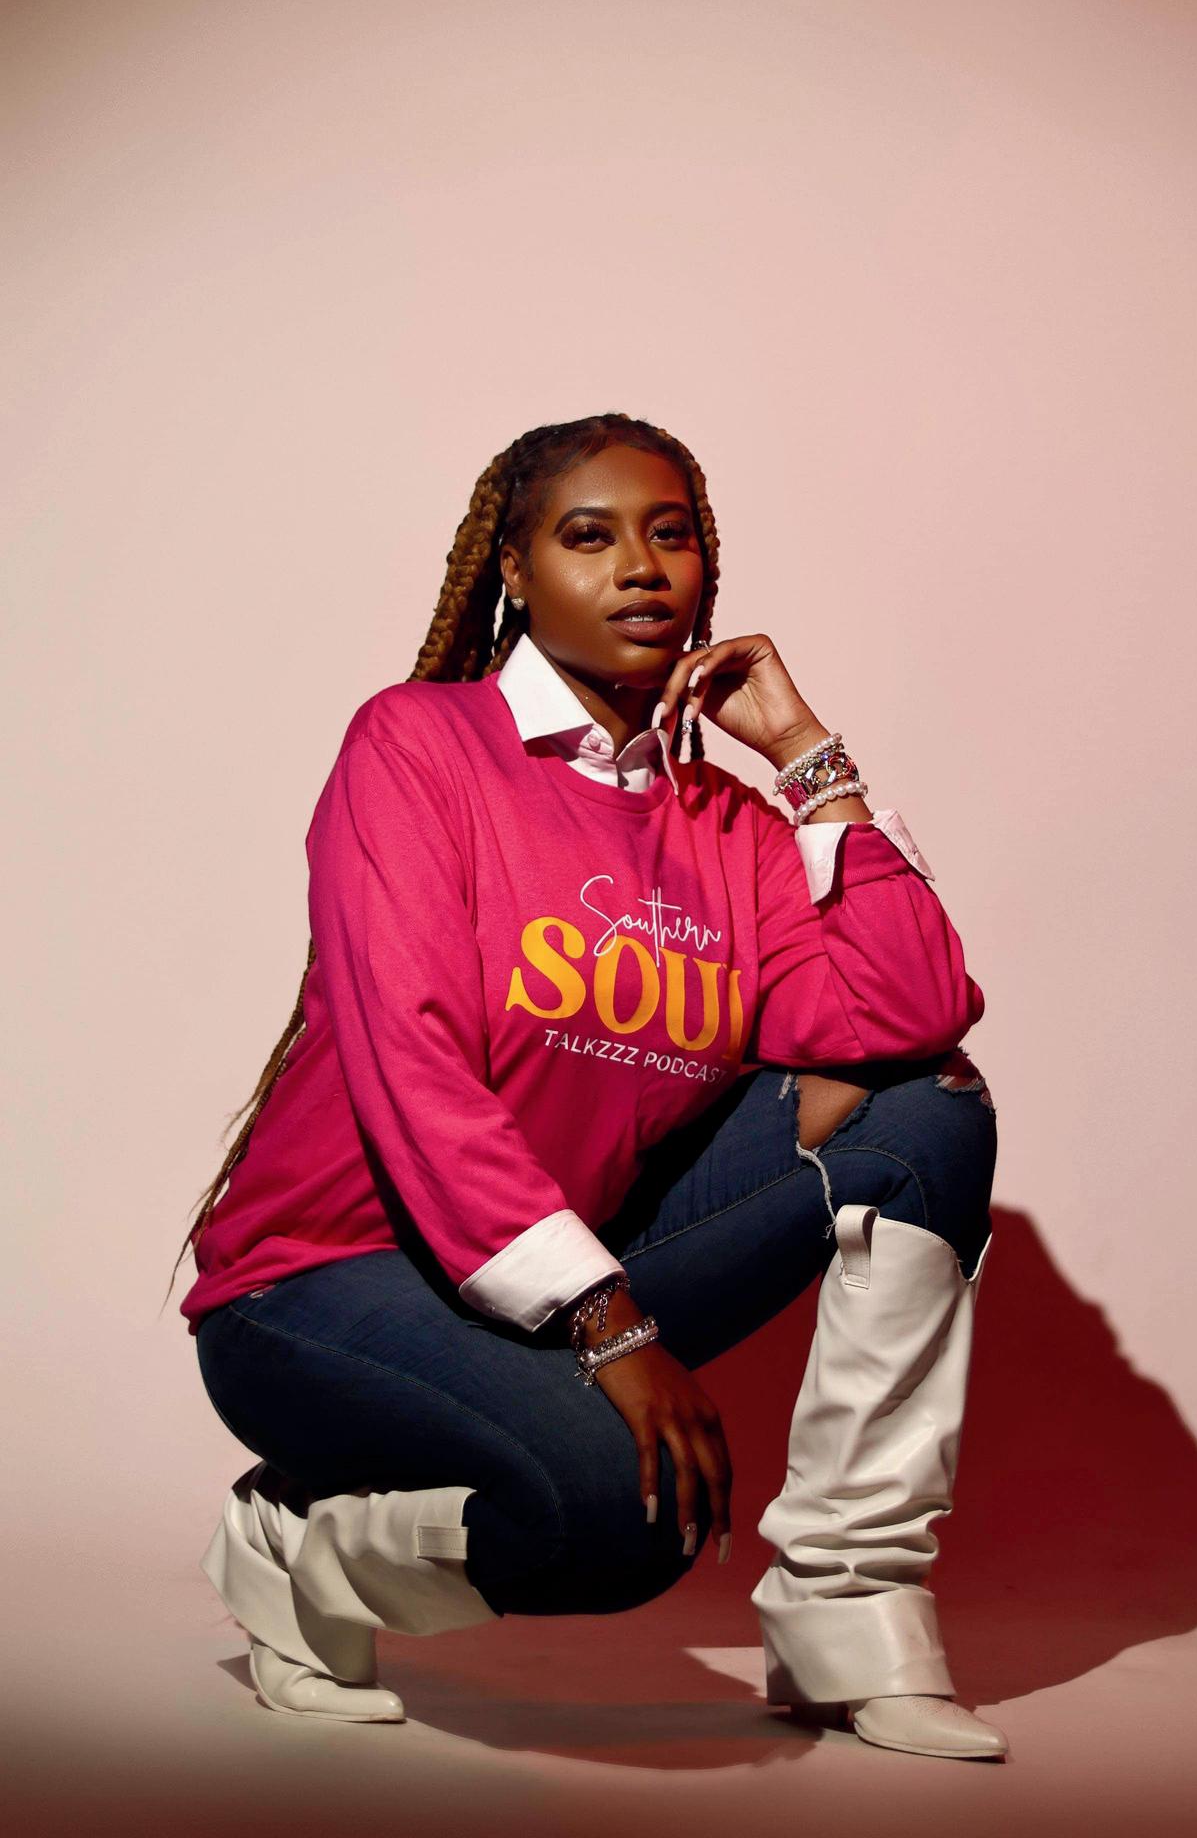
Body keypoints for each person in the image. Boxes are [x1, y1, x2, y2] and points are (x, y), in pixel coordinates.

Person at [168, 412, 1007, 1760]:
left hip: (552, 1272)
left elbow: (908, 1008)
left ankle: (850, 1608)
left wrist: (805, 756)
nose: (639, 568)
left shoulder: (725, 826)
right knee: (624, 1520)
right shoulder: (416, 745)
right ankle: (299, 1546)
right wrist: (611, 1327)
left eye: (669, 536)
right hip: (322, 1283)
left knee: (924, 1110)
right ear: (514, 568)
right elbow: (415, 1062)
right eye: (588, 536)